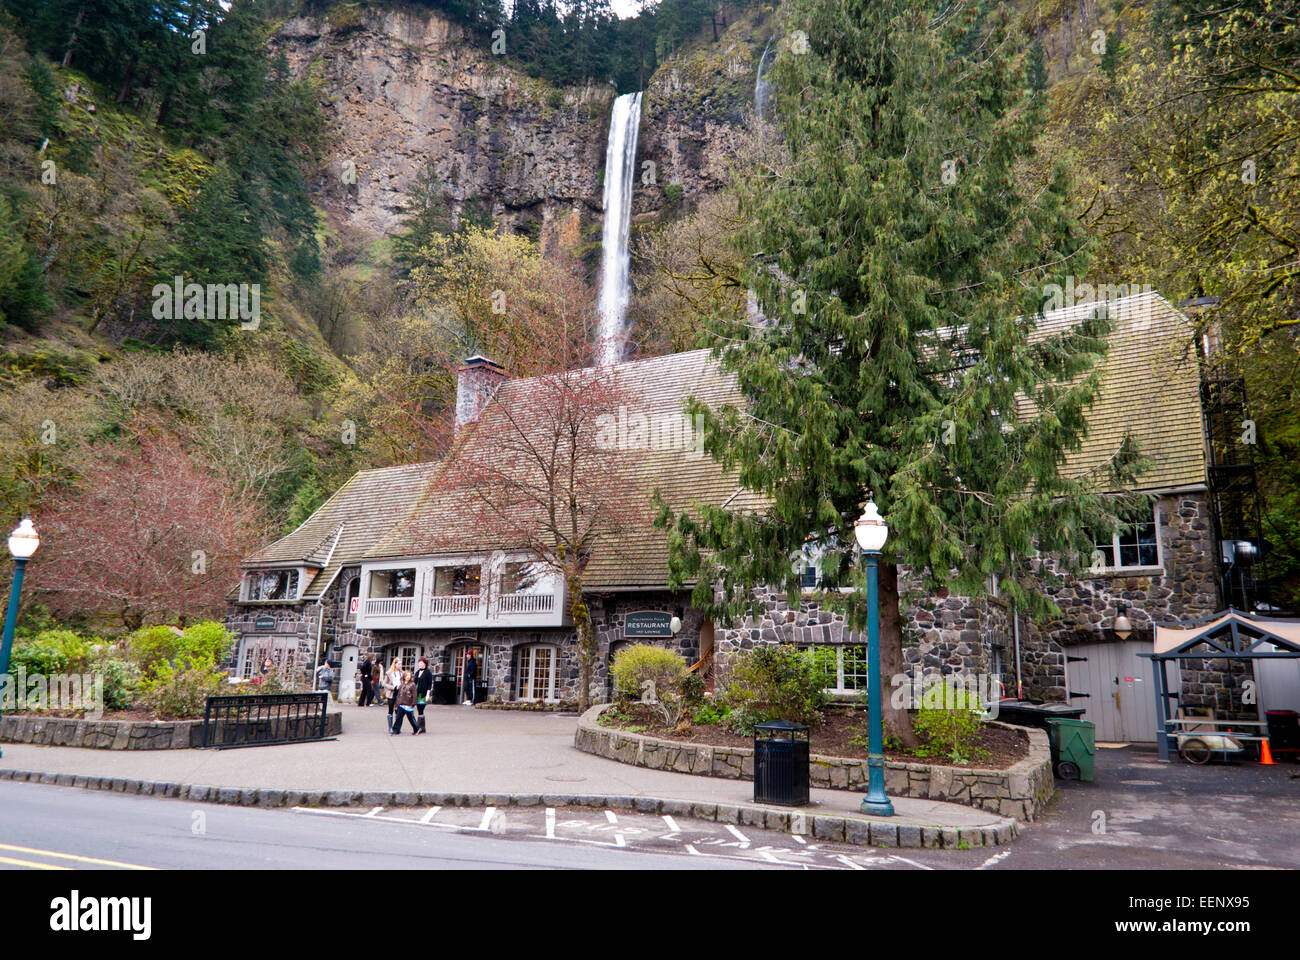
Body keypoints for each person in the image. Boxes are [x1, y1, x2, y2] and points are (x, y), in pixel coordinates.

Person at [391, 670, 420, 735]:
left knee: (411, 718)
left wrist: (413, 703)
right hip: (401, 704)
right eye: (406, 675)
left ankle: (416, 728)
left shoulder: (412, 684)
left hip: (408, 704)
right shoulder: (402, 684)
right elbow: (399, 695)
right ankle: (396, 730)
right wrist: (396, 704)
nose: (407, 677)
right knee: (399, 718)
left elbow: (415, 695)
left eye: (409, 676)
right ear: (404, 676)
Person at [414, 658, 433, 732]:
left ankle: (418, 727)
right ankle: (422, 728)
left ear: (425, 664)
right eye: (419, 663)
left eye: (421, 663)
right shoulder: (417, 672)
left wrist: (428, 694)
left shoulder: (428, 673)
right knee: (419, 710)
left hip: (423, 694)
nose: (420, 664)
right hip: (417, 693)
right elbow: (414, 683)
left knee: (421, 709)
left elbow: (429, 684)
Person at [385, 659, 403, 725]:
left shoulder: (401, 673)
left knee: (398, 710)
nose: (400, 666)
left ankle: (396, 726)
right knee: (390, 709)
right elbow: (385, 683)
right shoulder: (389, 673)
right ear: (395, 664)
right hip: (391, 693)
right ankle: (390, 727)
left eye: (401, 664)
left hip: (399, 693)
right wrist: (393, 687)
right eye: (399, 664)